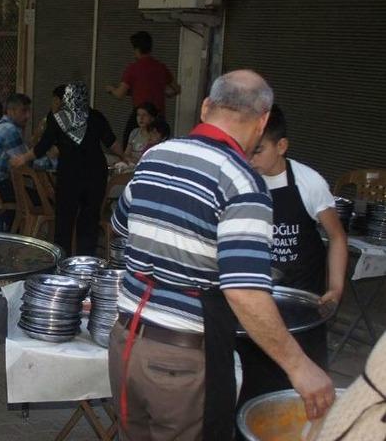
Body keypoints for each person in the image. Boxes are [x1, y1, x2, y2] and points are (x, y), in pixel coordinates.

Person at [109, 70, 335, 440]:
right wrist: (300, 367)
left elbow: (121, 225)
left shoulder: (156, 155)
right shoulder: (243, 183)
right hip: (178, 365)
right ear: (263, 121)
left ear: (205, 107)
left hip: (125, 345)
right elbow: (243, 292)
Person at [238, 105, 348, 407]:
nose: (250, 159)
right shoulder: (241, 179)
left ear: (281, 146)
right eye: (246, 150)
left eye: (257, 151)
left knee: (301, 394)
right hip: (256, 303)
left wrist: (335, 289)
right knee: (248, 388)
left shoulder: (308, 182)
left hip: (301, 306)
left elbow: (337, 237)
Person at [11, 83, 123, 256]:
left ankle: (62, 259)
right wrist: (127, 157)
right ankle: (85, 261)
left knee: (65, 219)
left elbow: (42, 146)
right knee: (89, 219)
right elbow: (111, 143)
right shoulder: (95, 117)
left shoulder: (58, 119)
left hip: (70, 176)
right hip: (95, 175)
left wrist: (23, 158)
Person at [105, 31, 180, 144]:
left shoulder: (133, 68)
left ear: (136, 49)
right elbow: (176, 89)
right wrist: (161, 92)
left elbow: (119, 94)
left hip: (142, 116)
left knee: (129, 144)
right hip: (159, 117)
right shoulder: (161, 67)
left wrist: (111, 89)